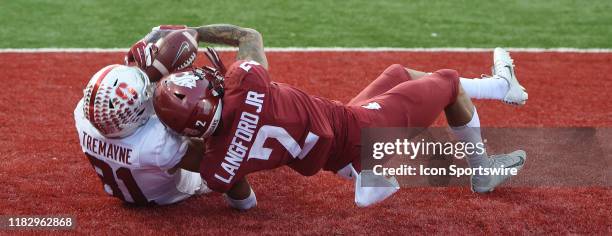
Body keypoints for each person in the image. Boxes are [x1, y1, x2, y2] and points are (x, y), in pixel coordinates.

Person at [151, 24, 528, 209]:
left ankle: (499, 88)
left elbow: (242, 200)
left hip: (337, 143)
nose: (209, 77)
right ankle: (482, 172)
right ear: (209, 98)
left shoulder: (217, 167)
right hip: (360, 131)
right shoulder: (247, 84)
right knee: (446, 83)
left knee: (398, 73)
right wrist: (190, 32)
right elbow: (247, 35)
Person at [74, 62, 210, 206]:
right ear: (136, 114)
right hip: (171, 193)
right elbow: (207, 160)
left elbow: (112, 100)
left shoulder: (83, 117)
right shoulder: (158, 144)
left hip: (131, 189)